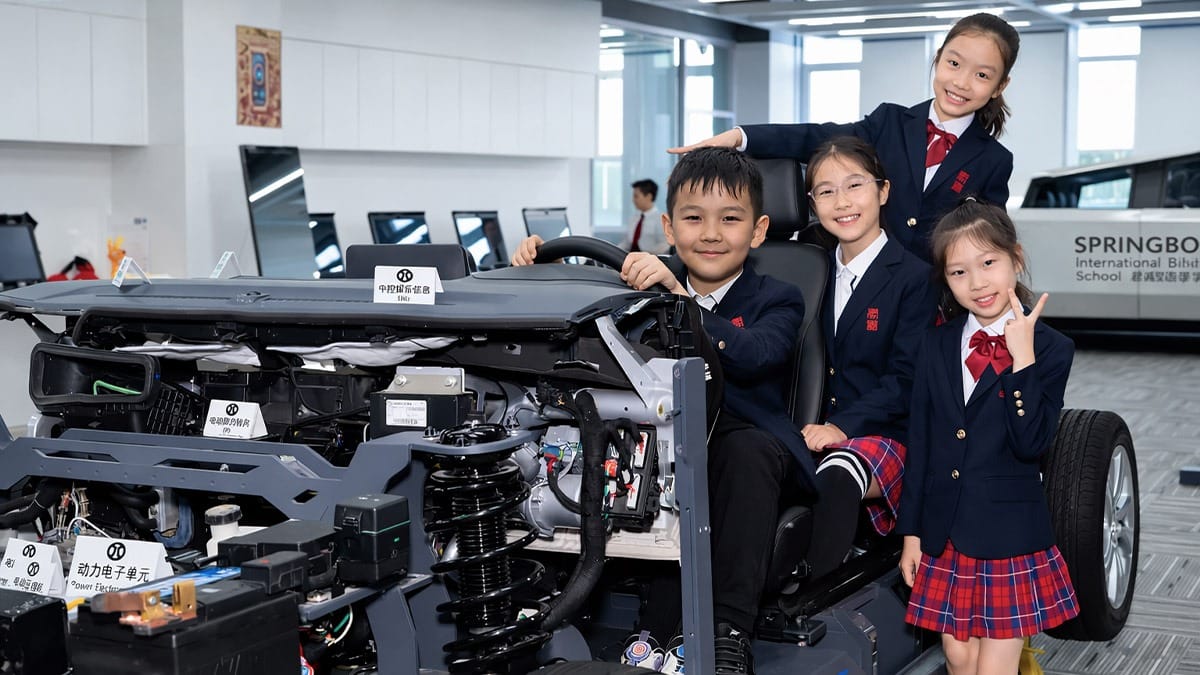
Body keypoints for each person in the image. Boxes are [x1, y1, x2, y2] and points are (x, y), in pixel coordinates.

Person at [514, 147, 812, 675]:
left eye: (730, 219)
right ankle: (591, 622)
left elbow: (759, 355)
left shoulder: (778, 298)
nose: (712, 234)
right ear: (670, 228)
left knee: (734, 456)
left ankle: (727, 635)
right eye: (694, 219)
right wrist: (542, 275)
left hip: (748, 439)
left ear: (759, 230)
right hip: (660, 437)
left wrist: (680, 302)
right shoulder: (634, 289)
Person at [669, 13, 1020, 262]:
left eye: (982, 75)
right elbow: (817, 136)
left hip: (936, 301)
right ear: (939, 58)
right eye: (954, 64)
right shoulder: (890, 121)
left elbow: (987, 241)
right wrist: (740, 137)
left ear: (999, 86)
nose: (961, 82)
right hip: (869, 280)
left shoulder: (994, 160)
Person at [896, 198, 1079, 675]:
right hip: (945, 531)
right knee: (960, 658)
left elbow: (1033, 442)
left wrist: (1023, 362)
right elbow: (923, 444)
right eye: (959, 272)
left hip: (1009, 535)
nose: (977, 283)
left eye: (989, 263)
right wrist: (912, 535)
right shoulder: (935, 343)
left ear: (1015, 258)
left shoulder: (1051, 349)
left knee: (992, 669)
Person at [796, 137, 939, 580]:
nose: (842, 202)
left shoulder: (915, 277)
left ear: (883, 191)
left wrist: (841, 428)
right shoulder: (808, 270)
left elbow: (906, 378)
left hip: (885, 432)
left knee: (837, 473)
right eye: (826, 190)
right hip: (811, 428)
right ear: (812, 203)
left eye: (855, 185)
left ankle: (806, 589)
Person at [620, 178, 669, 254]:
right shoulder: (634, 218)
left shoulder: (661, 219)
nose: (633, 200)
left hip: (650, 261)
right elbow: (626, 243)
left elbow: (665, 245)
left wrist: (647, 256)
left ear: (649, 196)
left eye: (636, 196)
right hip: (630, 259)